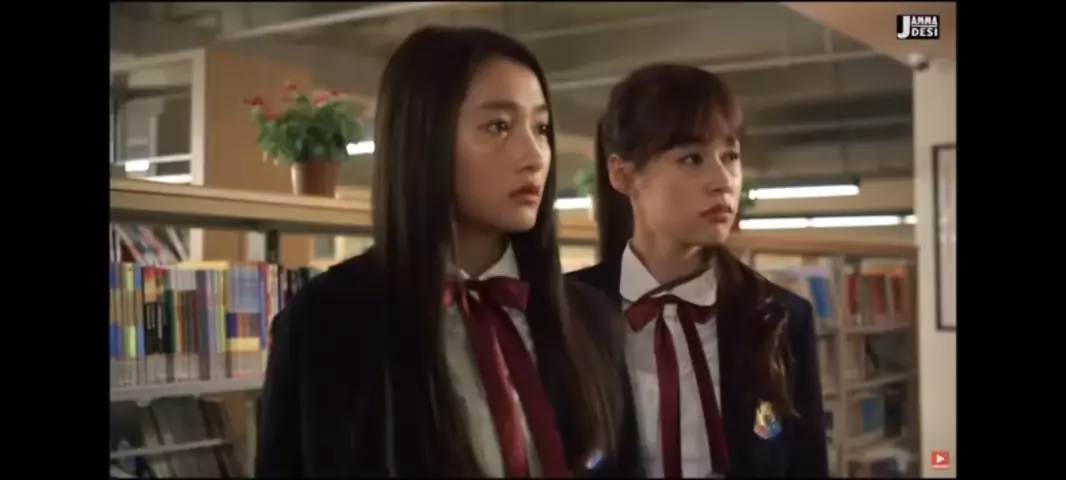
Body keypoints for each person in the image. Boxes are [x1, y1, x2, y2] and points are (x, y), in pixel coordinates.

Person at [255, 26, 643, 478]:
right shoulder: (327, 322)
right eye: (499, 126)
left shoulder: (592, 322)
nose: (535, 155)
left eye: (541, 128)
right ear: (425, 139)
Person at [568, 64, 829, 478]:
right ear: (624, 175)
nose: (723, 180)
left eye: (731, 157)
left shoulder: (779, 316)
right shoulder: (567, 312)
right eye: (692, 158)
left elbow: (807, 467)